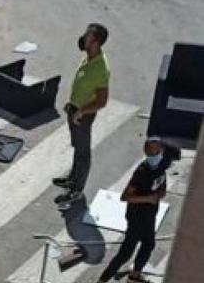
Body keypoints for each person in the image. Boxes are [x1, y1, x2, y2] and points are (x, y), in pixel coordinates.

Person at [97, 138, 180, 283]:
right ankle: (103, 280)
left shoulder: (162, 165)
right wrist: (148, 198)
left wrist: (160, 194)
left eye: (159, 151)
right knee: (126, 252)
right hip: (137, 216)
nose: (157, 155)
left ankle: (135, 275)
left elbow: (161, 186)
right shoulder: (142, 172)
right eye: (153, 152)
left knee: (148, 244)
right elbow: (125, 196)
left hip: (150, 214)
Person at [54, 23, 110, 210]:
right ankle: (72, 178)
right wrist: (72, 104)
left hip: (83, 116)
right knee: (78, 147)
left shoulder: (100, 68)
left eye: (87, 35)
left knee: (83, 152)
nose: (83, 37)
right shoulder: (89, 58)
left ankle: (76, 190)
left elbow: (101, 101)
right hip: (75, 110)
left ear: (94, 41)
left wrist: (81, 111)